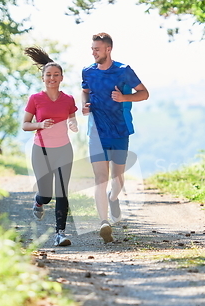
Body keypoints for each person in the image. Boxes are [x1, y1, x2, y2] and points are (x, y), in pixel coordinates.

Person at [81, 32, 149, 244]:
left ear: (108, 49)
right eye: (92, 48)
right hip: (96, 132)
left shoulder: (123, 70)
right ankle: (104, 222)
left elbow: (144, 93)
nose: (93, 52)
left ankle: (113, 198)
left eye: (97, 49)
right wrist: (85, 105)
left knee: (117, 179)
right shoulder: (87, 71)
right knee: (100, 179)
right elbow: (85, 90)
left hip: (120, 131)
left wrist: (124, 97)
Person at [23, 46, 78, 247]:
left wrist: (73, 124)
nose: (52, 78)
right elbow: (25, 125)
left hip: (64, 149)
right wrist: (39, 124)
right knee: (46, 195)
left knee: (62, 191)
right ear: (43, 78)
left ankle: (60, 234)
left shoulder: (68, 99)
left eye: (56, 75)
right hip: (42, 150)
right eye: (48, 75)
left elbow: (72, 119)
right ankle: (38, 201)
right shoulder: (35, 99)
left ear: (61, 78)